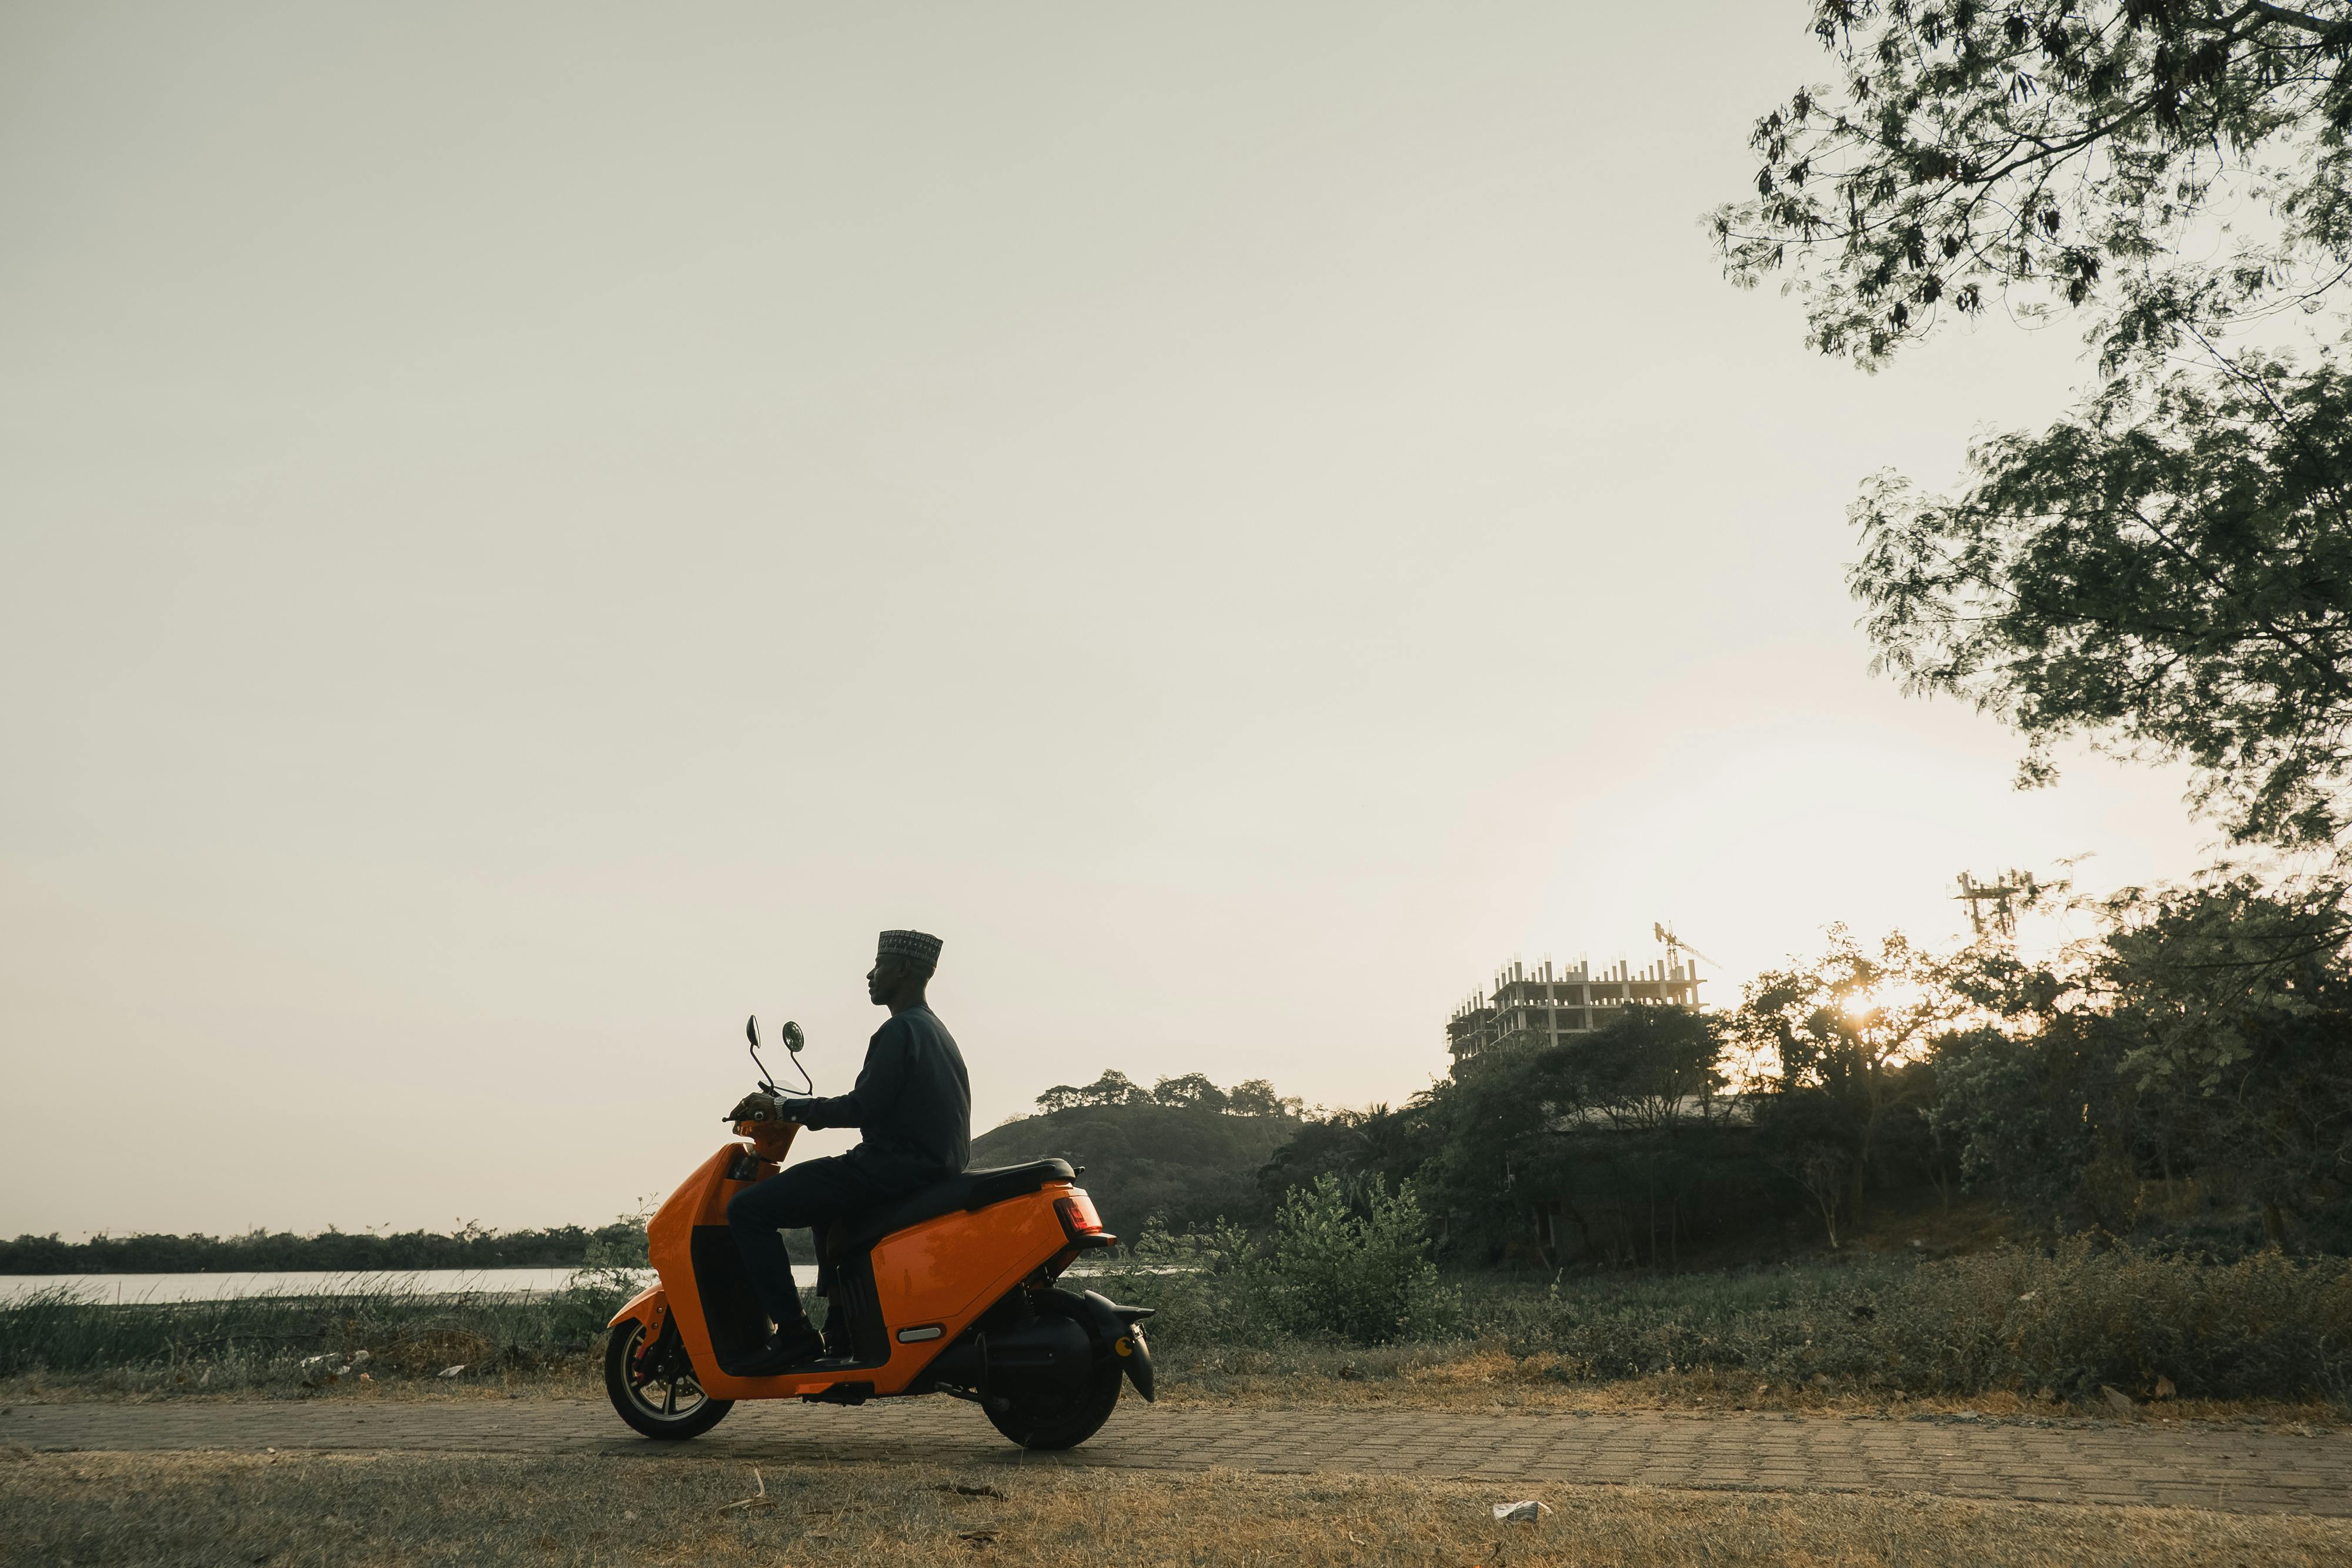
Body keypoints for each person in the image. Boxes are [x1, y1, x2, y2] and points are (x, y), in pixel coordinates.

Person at [722, 928, 970, 1374]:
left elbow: (861, 1107)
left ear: (904, 970)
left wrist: (782, 1108)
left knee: (747, 1209)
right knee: (827, 1208)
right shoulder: (934, 1030)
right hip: (926, 1166)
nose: (870, 975)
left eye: (879, 966)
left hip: (894, 1166)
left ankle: (794, 1334)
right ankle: (840, 1326)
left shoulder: (900, 1029)